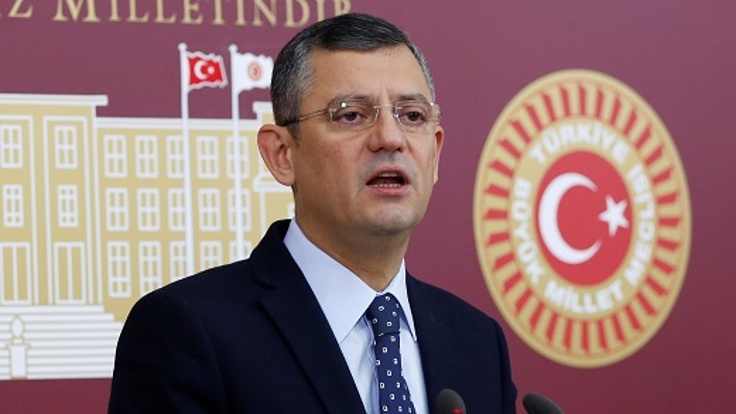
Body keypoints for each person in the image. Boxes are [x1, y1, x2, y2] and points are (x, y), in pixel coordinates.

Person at [108, 13, 517, 414]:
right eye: (351, 115)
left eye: (412, 116)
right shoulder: (188, 332)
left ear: (436, 152)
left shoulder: (477, 342)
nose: (391, 138)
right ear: (282, 154)